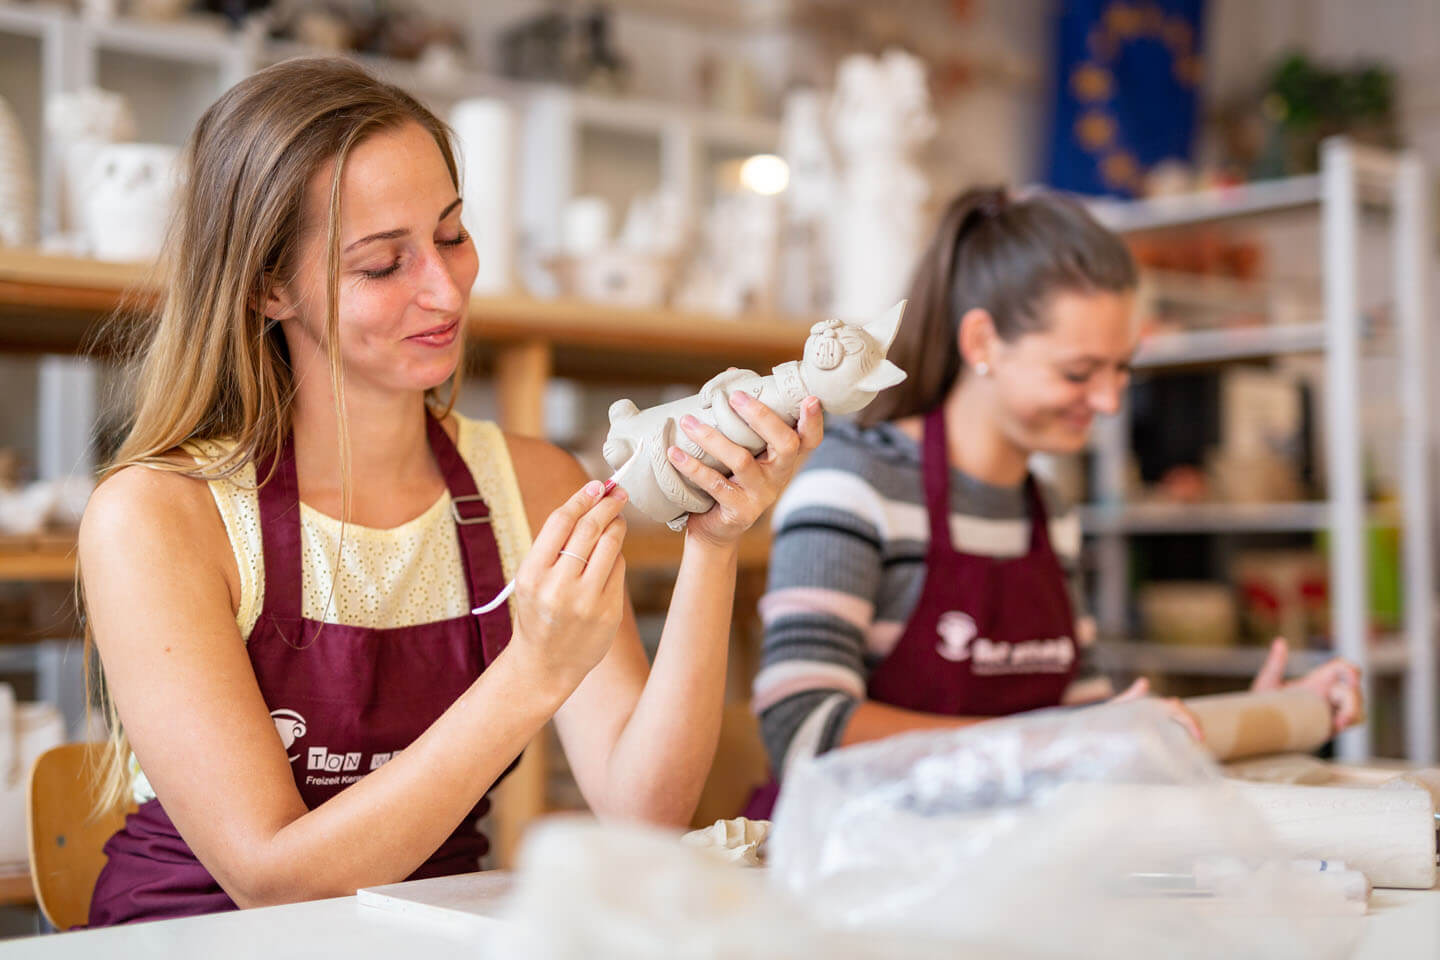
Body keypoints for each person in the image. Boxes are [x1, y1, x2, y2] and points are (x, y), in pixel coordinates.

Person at [79, 57, 821, 925]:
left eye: (453, 234)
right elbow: (270, 878)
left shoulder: (534, 482)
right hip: (195, 939)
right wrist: (534, 670)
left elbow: (643, 809)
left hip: (423, 932)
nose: (445, 288)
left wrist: (715, 544)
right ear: (267, 288)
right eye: (383, 264)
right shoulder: (161, 515)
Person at [748, 187, 1360, 813]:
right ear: (982, 341)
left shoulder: (1046, 511)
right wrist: (1053, 744)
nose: (1110, 402)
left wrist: (1253, 719)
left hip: (996, 874)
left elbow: (1087, 727)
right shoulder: (855, 483)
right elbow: (802, 731)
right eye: (1078, 372)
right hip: (844, 875)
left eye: (1122, 368)